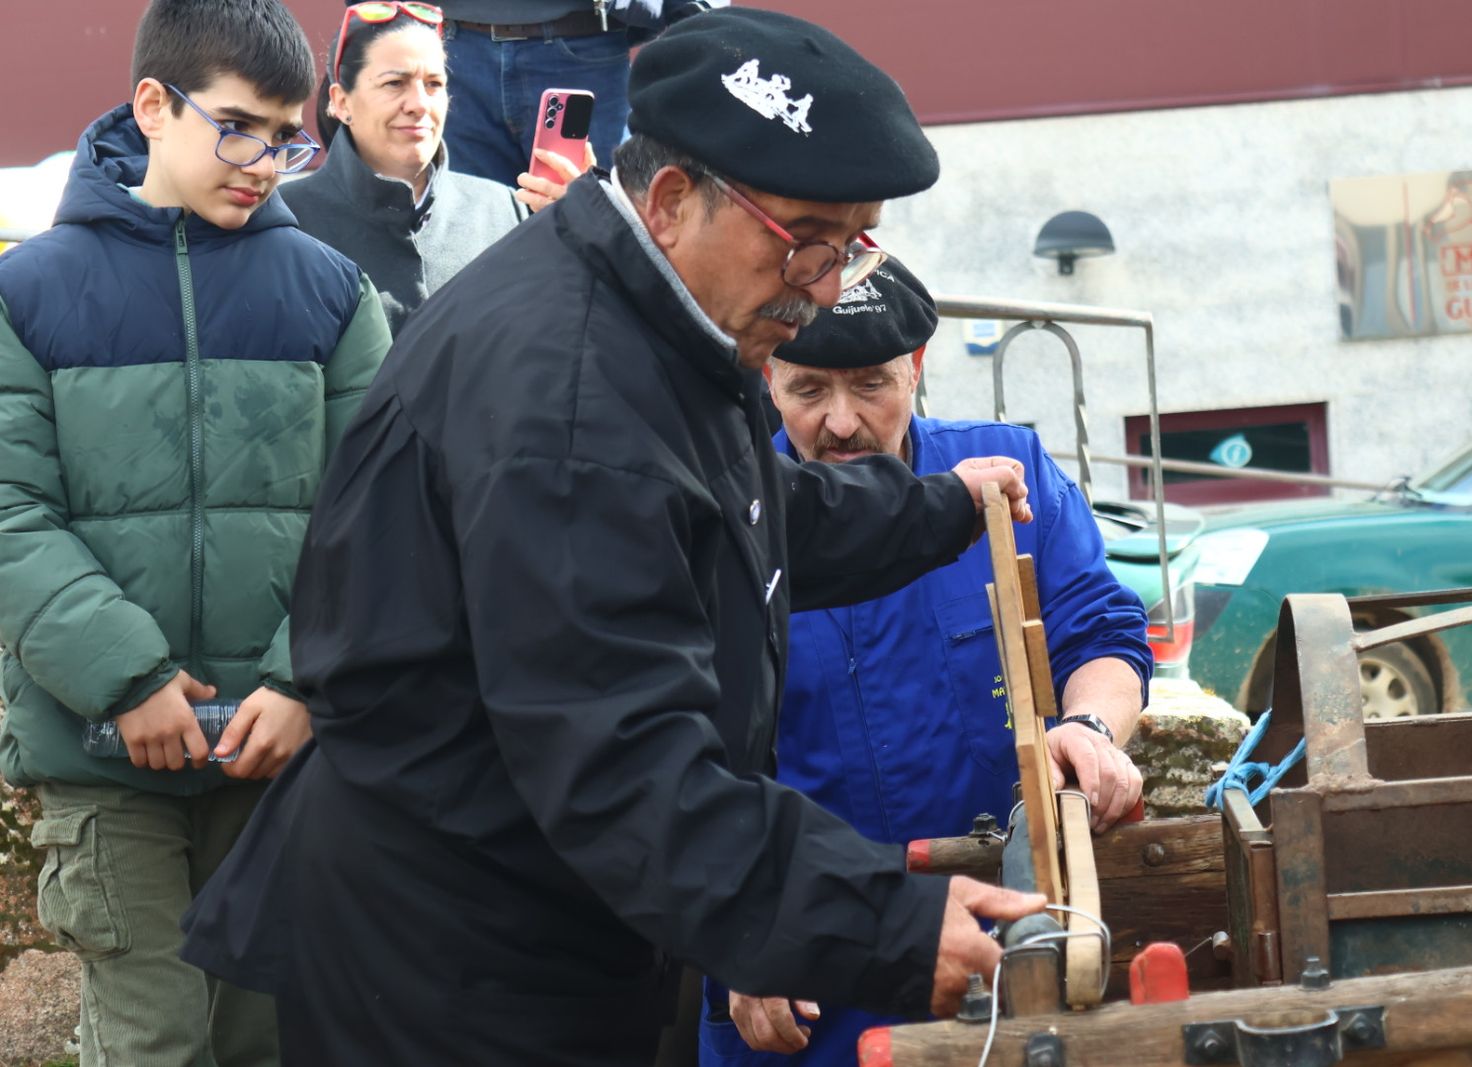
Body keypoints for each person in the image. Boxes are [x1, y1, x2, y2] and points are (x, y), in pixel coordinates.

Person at [182, 9, 1047, 1065]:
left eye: (850, 246)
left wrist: (937, 505)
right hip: (453, 954)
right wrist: (888, 920)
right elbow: (623, 760)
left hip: (544, 912)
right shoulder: (569, 405)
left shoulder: (659, 303)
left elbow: (727, 514)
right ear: (675, 199)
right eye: (808, 243)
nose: (825, 286)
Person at [0, 0, 391, 1063]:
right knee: (151, 1041)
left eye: (285, 134)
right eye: (236, 126)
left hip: (275, 752)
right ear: (152, 105)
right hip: (102, 750)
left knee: (264, 1037)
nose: (264, 160)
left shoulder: (332, 294)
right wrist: (128, 678)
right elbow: (9, 514)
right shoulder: (26, 292)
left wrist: (303, 677)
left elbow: (377, 515)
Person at [701, 257, 1154, 1065]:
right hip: (797, 962)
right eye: (809, 390)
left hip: (1004, 944)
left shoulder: (1005, 473)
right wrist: (731, 923)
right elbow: (667, 752)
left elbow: (1103, 633)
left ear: (916, 367)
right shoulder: (720, 506)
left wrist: (1090, 727)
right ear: (769, 375)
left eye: (870, 384)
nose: (840, 422)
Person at [285, 3, 554, 336]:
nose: (419, 104)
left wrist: (581, 225)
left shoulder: (503, 210)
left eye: (434, 84)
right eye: (395, 83)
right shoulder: (288, 220)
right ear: (341, 102)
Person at [400, 0, 725, 181]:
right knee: (470, 234)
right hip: (454, 50)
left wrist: (706, 25)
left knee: (596, 224)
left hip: (582, 52)